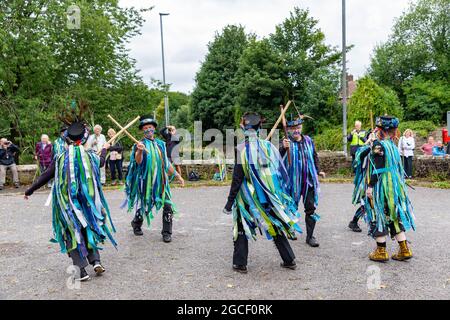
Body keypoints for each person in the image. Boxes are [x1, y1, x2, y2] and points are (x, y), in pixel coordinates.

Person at [24, 120, 116, 281]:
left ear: (67, 139)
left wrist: (29, 190)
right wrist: (104, 151)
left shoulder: (60, 158)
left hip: (67, 205)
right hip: (88, 204)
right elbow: (101, 162)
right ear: (85, 138)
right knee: (88, 228)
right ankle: (95, 261)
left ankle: (81, 270)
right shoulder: (90, 156)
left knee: (71, 232)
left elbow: (45, 176)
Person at [223, 112, 301, 273]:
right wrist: (282, 150)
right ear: (259, 128)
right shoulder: (268, 146)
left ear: (244, 128)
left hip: (247, 195)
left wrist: (229, 203)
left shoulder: (242, 149)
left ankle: (240, 263)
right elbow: (276, 165)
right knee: (274, 224)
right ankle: (289, 259)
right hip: (267, 196)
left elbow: (237, 179)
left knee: (241, 225)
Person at [353, 115, 415, 262]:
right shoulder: (392, 145)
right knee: (393, 216)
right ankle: (404, 249)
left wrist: (370, 186)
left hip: (380, 188)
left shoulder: (379, 146)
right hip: (394, 189)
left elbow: (377, 169)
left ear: (380, 130)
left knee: (378, 215)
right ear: (394, 131)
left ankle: (381, 252)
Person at [124, 115, 185, 243]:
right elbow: (138, 161)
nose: (148, 130)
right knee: (146, 206)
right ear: (142, 130)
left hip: (161, 183)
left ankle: (167, 232)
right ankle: (136, 223)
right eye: (145, 128)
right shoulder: (139, 145)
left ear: (154, 128)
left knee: (168, 205)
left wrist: (178, 176)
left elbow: (166, 165)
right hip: (146, 182)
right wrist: (140, 151)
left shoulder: (161, 145)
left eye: (150, 127)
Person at [280, 118, 326, 247]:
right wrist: (283, 148)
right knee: (290, 207)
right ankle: (290, 230)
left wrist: (318, 170)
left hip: (308, 181)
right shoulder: (285, 142)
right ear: (288, 129)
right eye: (293, 128)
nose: (296, 130)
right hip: (291, 183)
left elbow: (314, 156)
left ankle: (310, 236)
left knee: (310, 208)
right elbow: (277, 156)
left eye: (298, 127)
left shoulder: (308, 140)